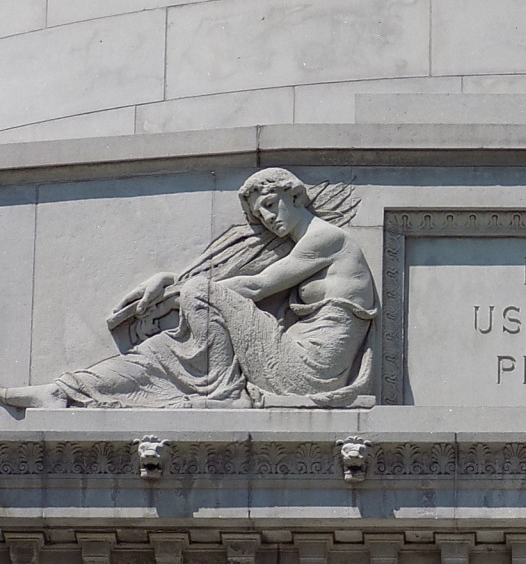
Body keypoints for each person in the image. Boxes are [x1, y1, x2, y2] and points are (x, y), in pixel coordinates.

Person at [0, 168, 376, 409]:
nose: (269, 218)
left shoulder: (326, 238)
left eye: (271, 204)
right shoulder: (304, 244)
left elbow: (257, 285)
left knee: (202, 294)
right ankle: (66, 391)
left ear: (295, 195)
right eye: (261, 214)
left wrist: (176, 294)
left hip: (308, 370)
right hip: (292, 358)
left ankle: (226, 393)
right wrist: (174, 295)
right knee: (166, 352)